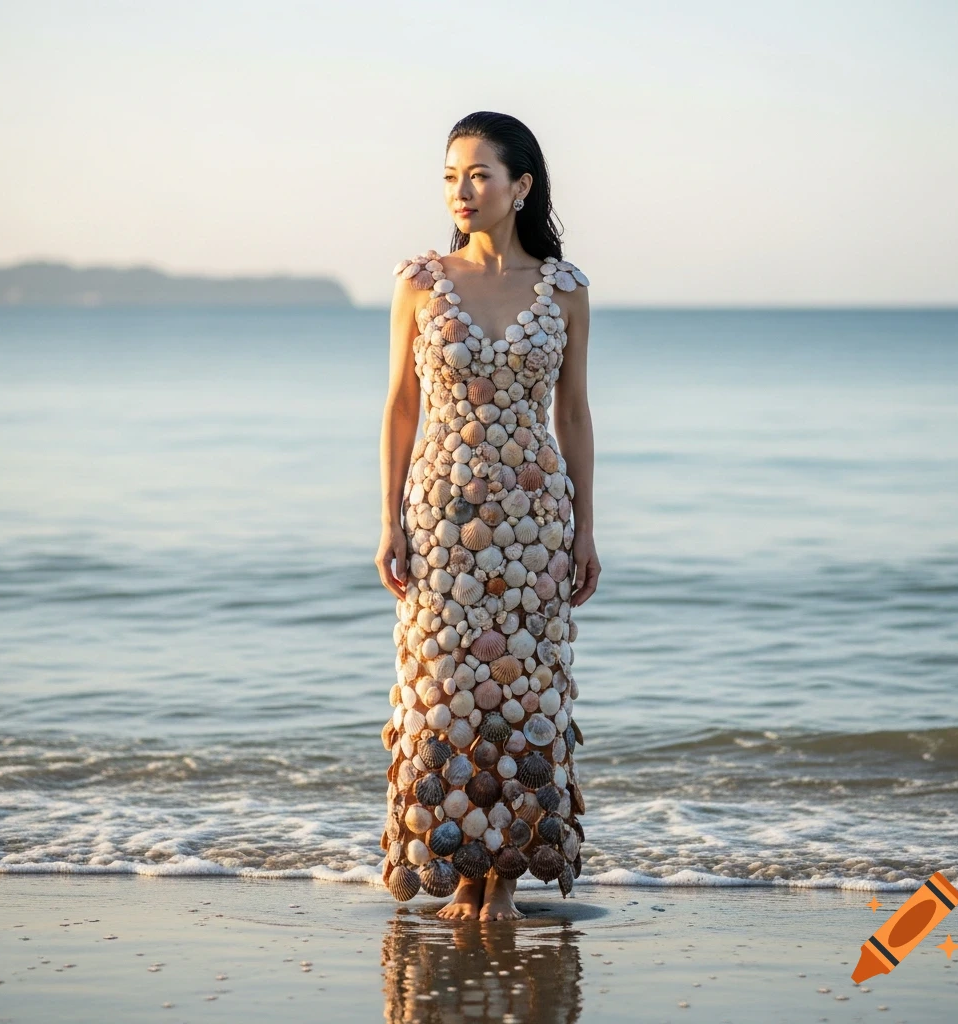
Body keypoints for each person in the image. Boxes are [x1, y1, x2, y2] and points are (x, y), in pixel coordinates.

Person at [375, 111, 600, 922]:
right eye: (449, 177)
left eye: (478, 175)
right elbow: (401, 406)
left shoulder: (564, 289)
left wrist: (586, 528)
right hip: (439, 513)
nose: (461, 191)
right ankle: (457, 868)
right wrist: (389, 519)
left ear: (521, 185)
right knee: (443, 686)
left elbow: (572, 415)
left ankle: (502, 880)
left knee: (525, 691)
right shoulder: (419, 281)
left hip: (536, 514)